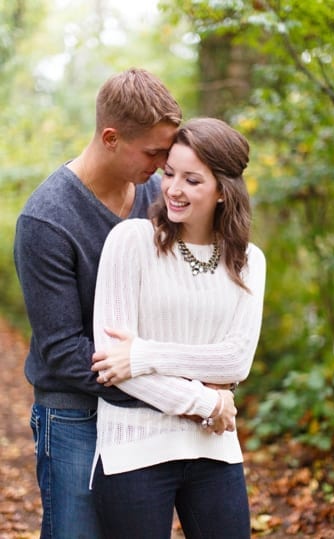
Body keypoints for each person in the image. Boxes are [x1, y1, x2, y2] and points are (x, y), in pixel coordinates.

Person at [13, 68, 182, 538]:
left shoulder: (157, 196)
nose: (163, 164)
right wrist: (166, 391)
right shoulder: (46, 221)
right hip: (73, 413)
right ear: (111, 137)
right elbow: (64, 351)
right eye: (154, 152)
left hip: (146, 404)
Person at [88, 117, 265, 538]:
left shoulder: (248, 260)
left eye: (191, 179)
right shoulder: (130, 242)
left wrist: (144, 356)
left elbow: (235, 361)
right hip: (133, 447)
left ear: (223, 190)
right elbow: (114, 368)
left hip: (214, 449)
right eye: (169, 173)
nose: (173, 189)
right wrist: (208, 403)